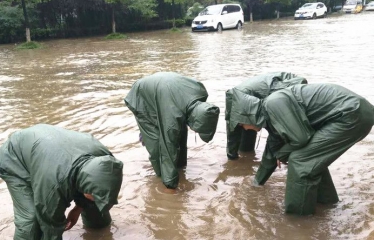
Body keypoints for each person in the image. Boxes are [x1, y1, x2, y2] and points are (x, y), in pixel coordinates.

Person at [0, 124, 123, 240]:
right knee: (31, 219)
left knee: (96, 206)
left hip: (53, 154)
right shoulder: (53, 185)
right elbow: (50, 228)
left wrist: (77, 209)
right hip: (15, 161)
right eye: (91, 195)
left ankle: (99, 230)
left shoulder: (107, 162)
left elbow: (98, 190)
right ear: (85, 188)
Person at [227, 83, 374, 215]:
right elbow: (272, 151)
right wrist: (256, 184)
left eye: (241, 125)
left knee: (300, 160)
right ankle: (327, 203)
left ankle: (298, 220)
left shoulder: (273, 104)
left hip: (351, 114)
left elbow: (301, 138)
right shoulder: (270, 115)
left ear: (247, 117)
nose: (245, 129)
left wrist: (283, 154)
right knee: (312, 157)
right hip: (354, 113)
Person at [124, 72, 220, 189]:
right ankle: (161, 177)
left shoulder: (201, 92)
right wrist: (171, 186)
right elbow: (168, 147)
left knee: (179, 131)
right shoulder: (173, 117)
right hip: (141, 96)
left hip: (166, 93)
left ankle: (179, 167)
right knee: (156, 143)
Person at [225, 72, 307, 159]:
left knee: (281, 130)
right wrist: (231, 157)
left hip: (282, 87)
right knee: (245, 144)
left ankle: (289, 156)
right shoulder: (235, 106)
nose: (245, 128)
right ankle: (246, 156)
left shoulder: (276, 97)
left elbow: (278, 131)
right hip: (248, 101)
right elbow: (232, 131)